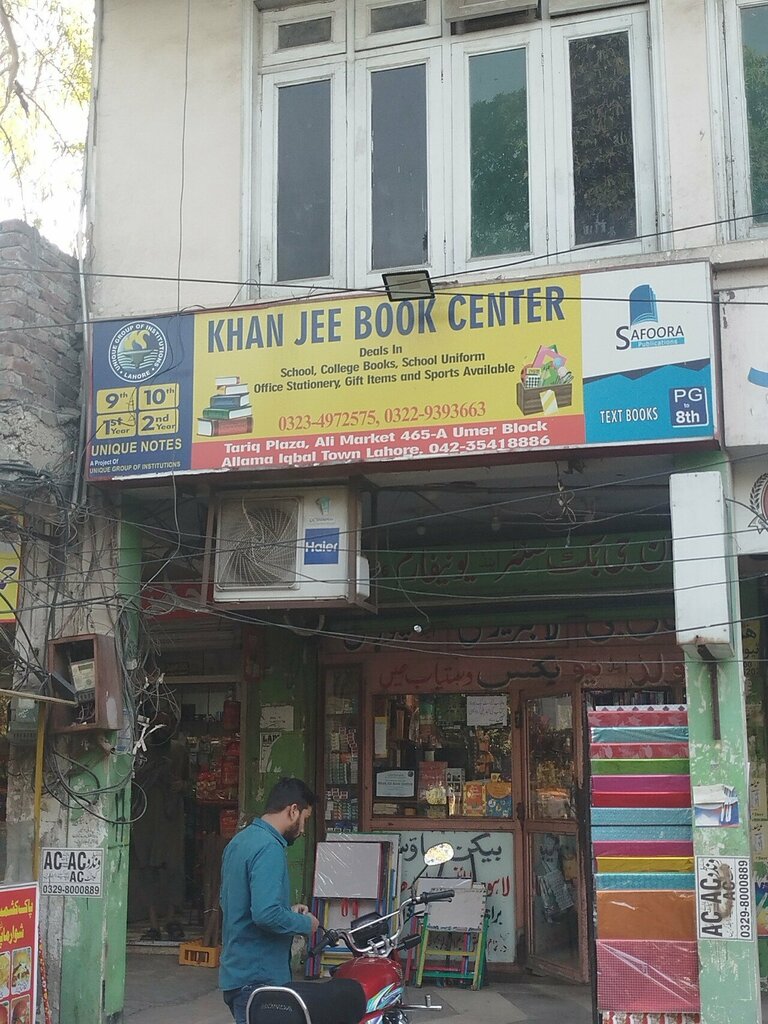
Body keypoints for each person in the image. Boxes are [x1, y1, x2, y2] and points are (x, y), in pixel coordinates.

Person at [220, 777, 320, 1024]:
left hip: (238, 973)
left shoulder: (240, 841)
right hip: (259, 978)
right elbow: (265, 914)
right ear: (293, 810)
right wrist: (306, 924)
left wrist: (288, 911)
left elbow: (236, 903)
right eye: (305, 819)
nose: (303, 829)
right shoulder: (269, 848)